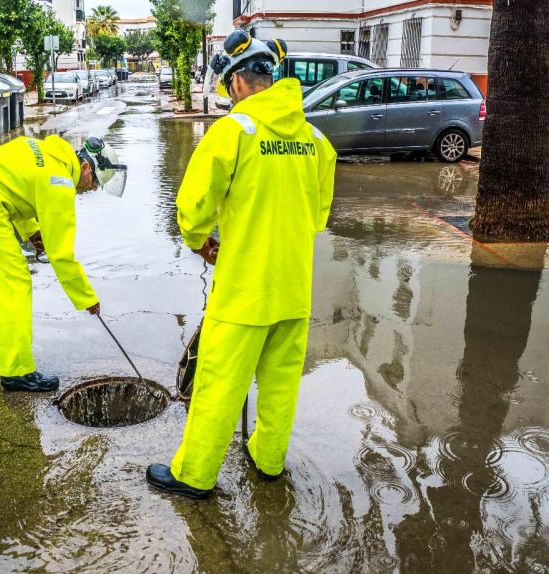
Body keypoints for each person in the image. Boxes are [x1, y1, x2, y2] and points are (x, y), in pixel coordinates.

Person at [146, 30, 337, 499]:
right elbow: (317, 214)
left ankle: (194, 476)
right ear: (272, 77)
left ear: (235, 83)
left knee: (218, 384)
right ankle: (268, 460)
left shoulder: (233, 131)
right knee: (280, 384)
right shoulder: (315, 140)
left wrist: (199, 242)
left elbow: (193, 209)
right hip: (293, 288)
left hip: (243, 291)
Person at [0, 134, 126, 392]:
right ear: (86, 167)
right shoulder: (59, 181)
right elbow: (61, 254)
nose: (91, 189)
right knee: (12, 282)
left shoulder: (47, 152)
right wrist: (86, 297)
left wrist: (33, 231)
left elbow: (15, 189)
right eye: (94, 184)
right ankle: (17, 372)